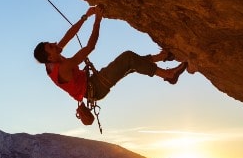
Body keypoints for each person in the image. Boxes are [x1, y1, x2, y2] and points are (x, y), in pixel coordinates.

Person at [33, 6, 187, 104]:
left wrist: (85, 16)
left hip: (92, 85)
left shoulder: (51, 60)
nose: (55, 44)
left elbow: (69, 35)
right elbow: (90, 47)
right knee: (128, 58)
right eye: (52, 47)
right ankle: (168, 74)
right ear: (50, 57)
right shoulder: (63, 68)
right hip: (95, 87)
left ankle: (162, 57)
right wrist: (98, 20)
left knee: (131, 64)